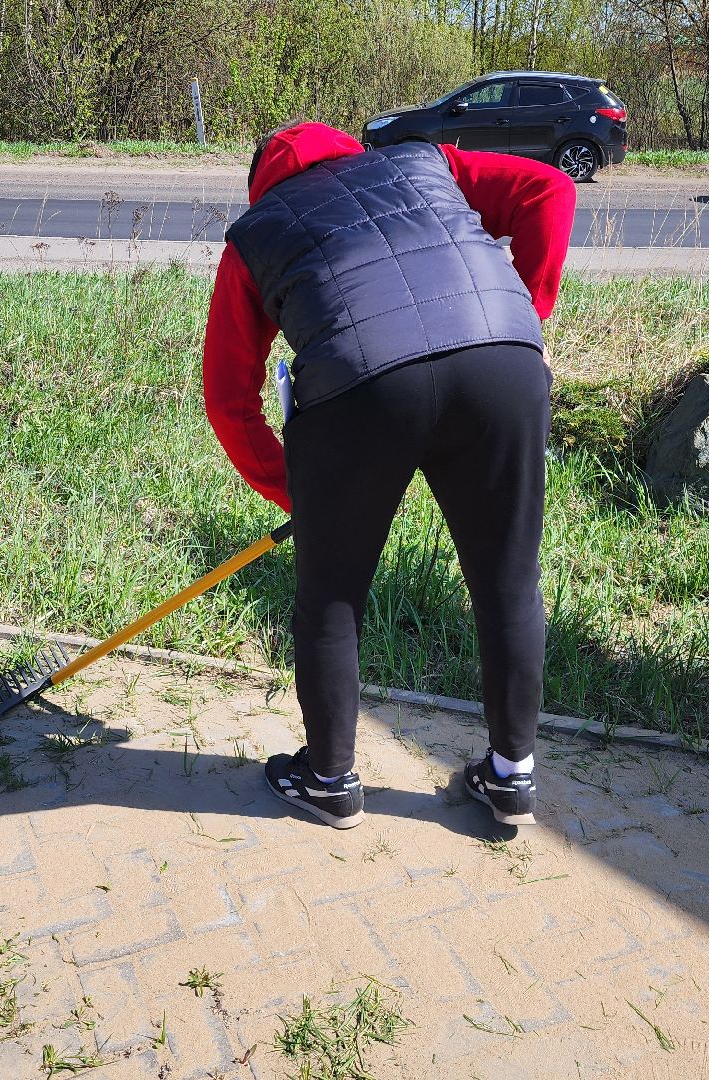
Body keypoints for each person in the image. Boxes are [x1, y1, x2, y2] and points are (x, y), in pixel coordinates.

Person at [201, 120, 575, 829]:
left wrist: (297, 493)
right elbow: (550, 189)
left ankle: (329, 781)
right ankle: (511, 778)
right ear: (351, 153)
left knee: (333, 595)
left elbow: (228, 401)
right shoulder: (424, 163)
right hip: (502, 364)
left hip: (360, 388)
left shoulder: (257, 233)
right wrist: (529, 310)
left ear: (262, 186)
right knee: (507, 579)